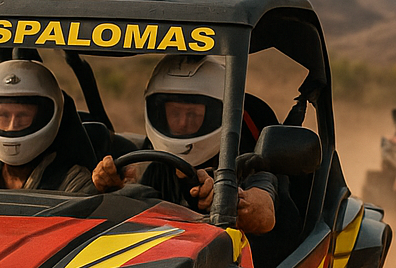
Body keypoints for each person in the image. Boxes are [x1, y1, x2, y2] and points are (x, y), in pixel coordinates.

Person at [91, 56, 278, 235]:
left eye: (192, 114)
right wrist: (111, 187)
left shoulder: (249, 159)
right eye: (174, 113)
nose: (181, 124)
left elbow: (264, 212)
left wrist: (228, 199)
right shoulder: (158, 164)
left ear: (219, 114)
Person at [0, 60, 96, 192]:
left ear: (43, 117)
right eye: (3, 116)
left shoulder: (74, 183)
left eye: (23, 116)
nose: (12, 126)